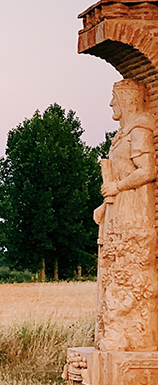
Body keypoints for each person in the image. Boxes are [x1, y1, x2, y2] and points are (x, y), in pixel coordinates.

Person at [95, 79, 158, 352]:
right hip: (118, 209)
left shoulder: (140, 129)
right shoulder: (121, 135)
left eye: (114, 98)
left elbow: (147, 171)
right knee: (114, 266)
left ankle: (130, 331)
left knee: (129, 268)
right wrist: (105, 204)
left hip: (135, 212)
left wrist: (117, 187)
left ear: (129, 100)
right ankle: (113, 328)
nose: (111, 104)